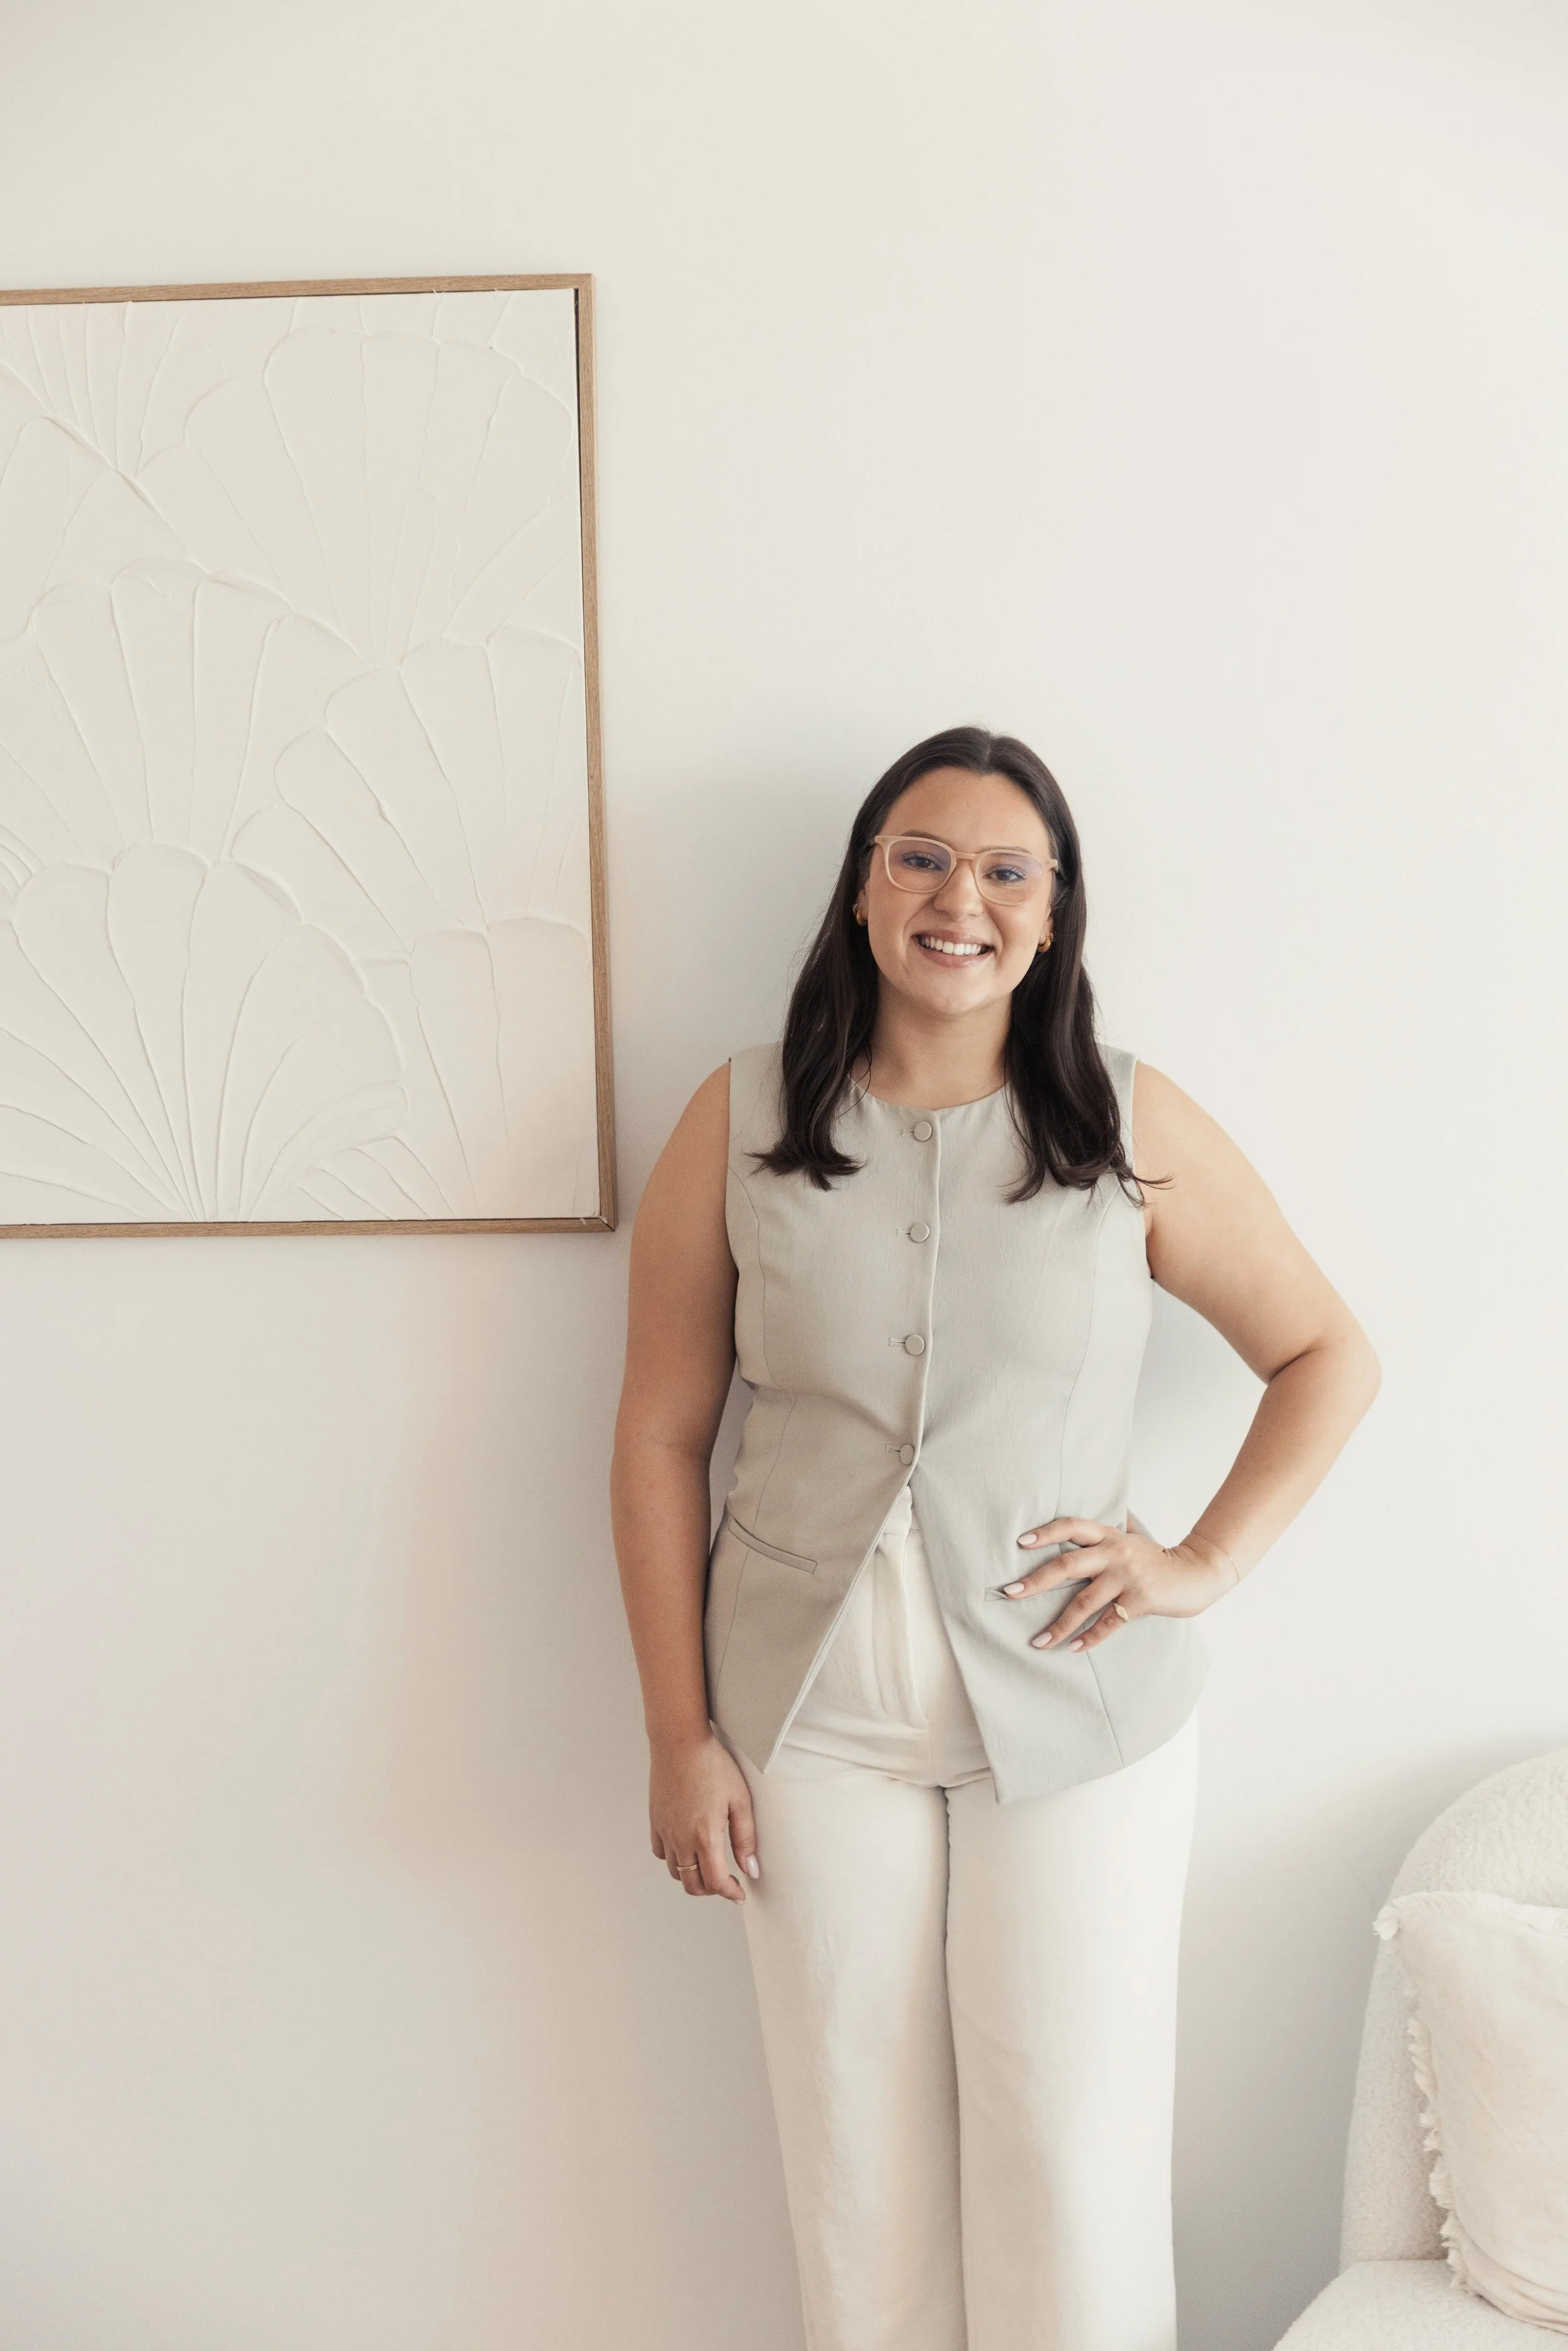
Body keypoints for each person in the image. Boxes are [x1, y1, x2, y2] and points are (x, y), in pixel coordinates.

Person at [610, 726, 1380, 2351]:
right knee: (852, 2177)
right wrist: (681, 1736)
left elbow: (1325, 1353)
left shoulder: (1123, 1121)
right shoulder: (736, 1117)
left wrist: (1198, 1560)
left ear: (1051, 913)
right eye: (922, 856)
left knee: (1072, 2161)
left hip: (1083, 1724)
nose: (960, 896)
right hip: (807, 1733)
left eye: (1004, 869)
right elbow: (660, 1432)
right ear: (864, 889)